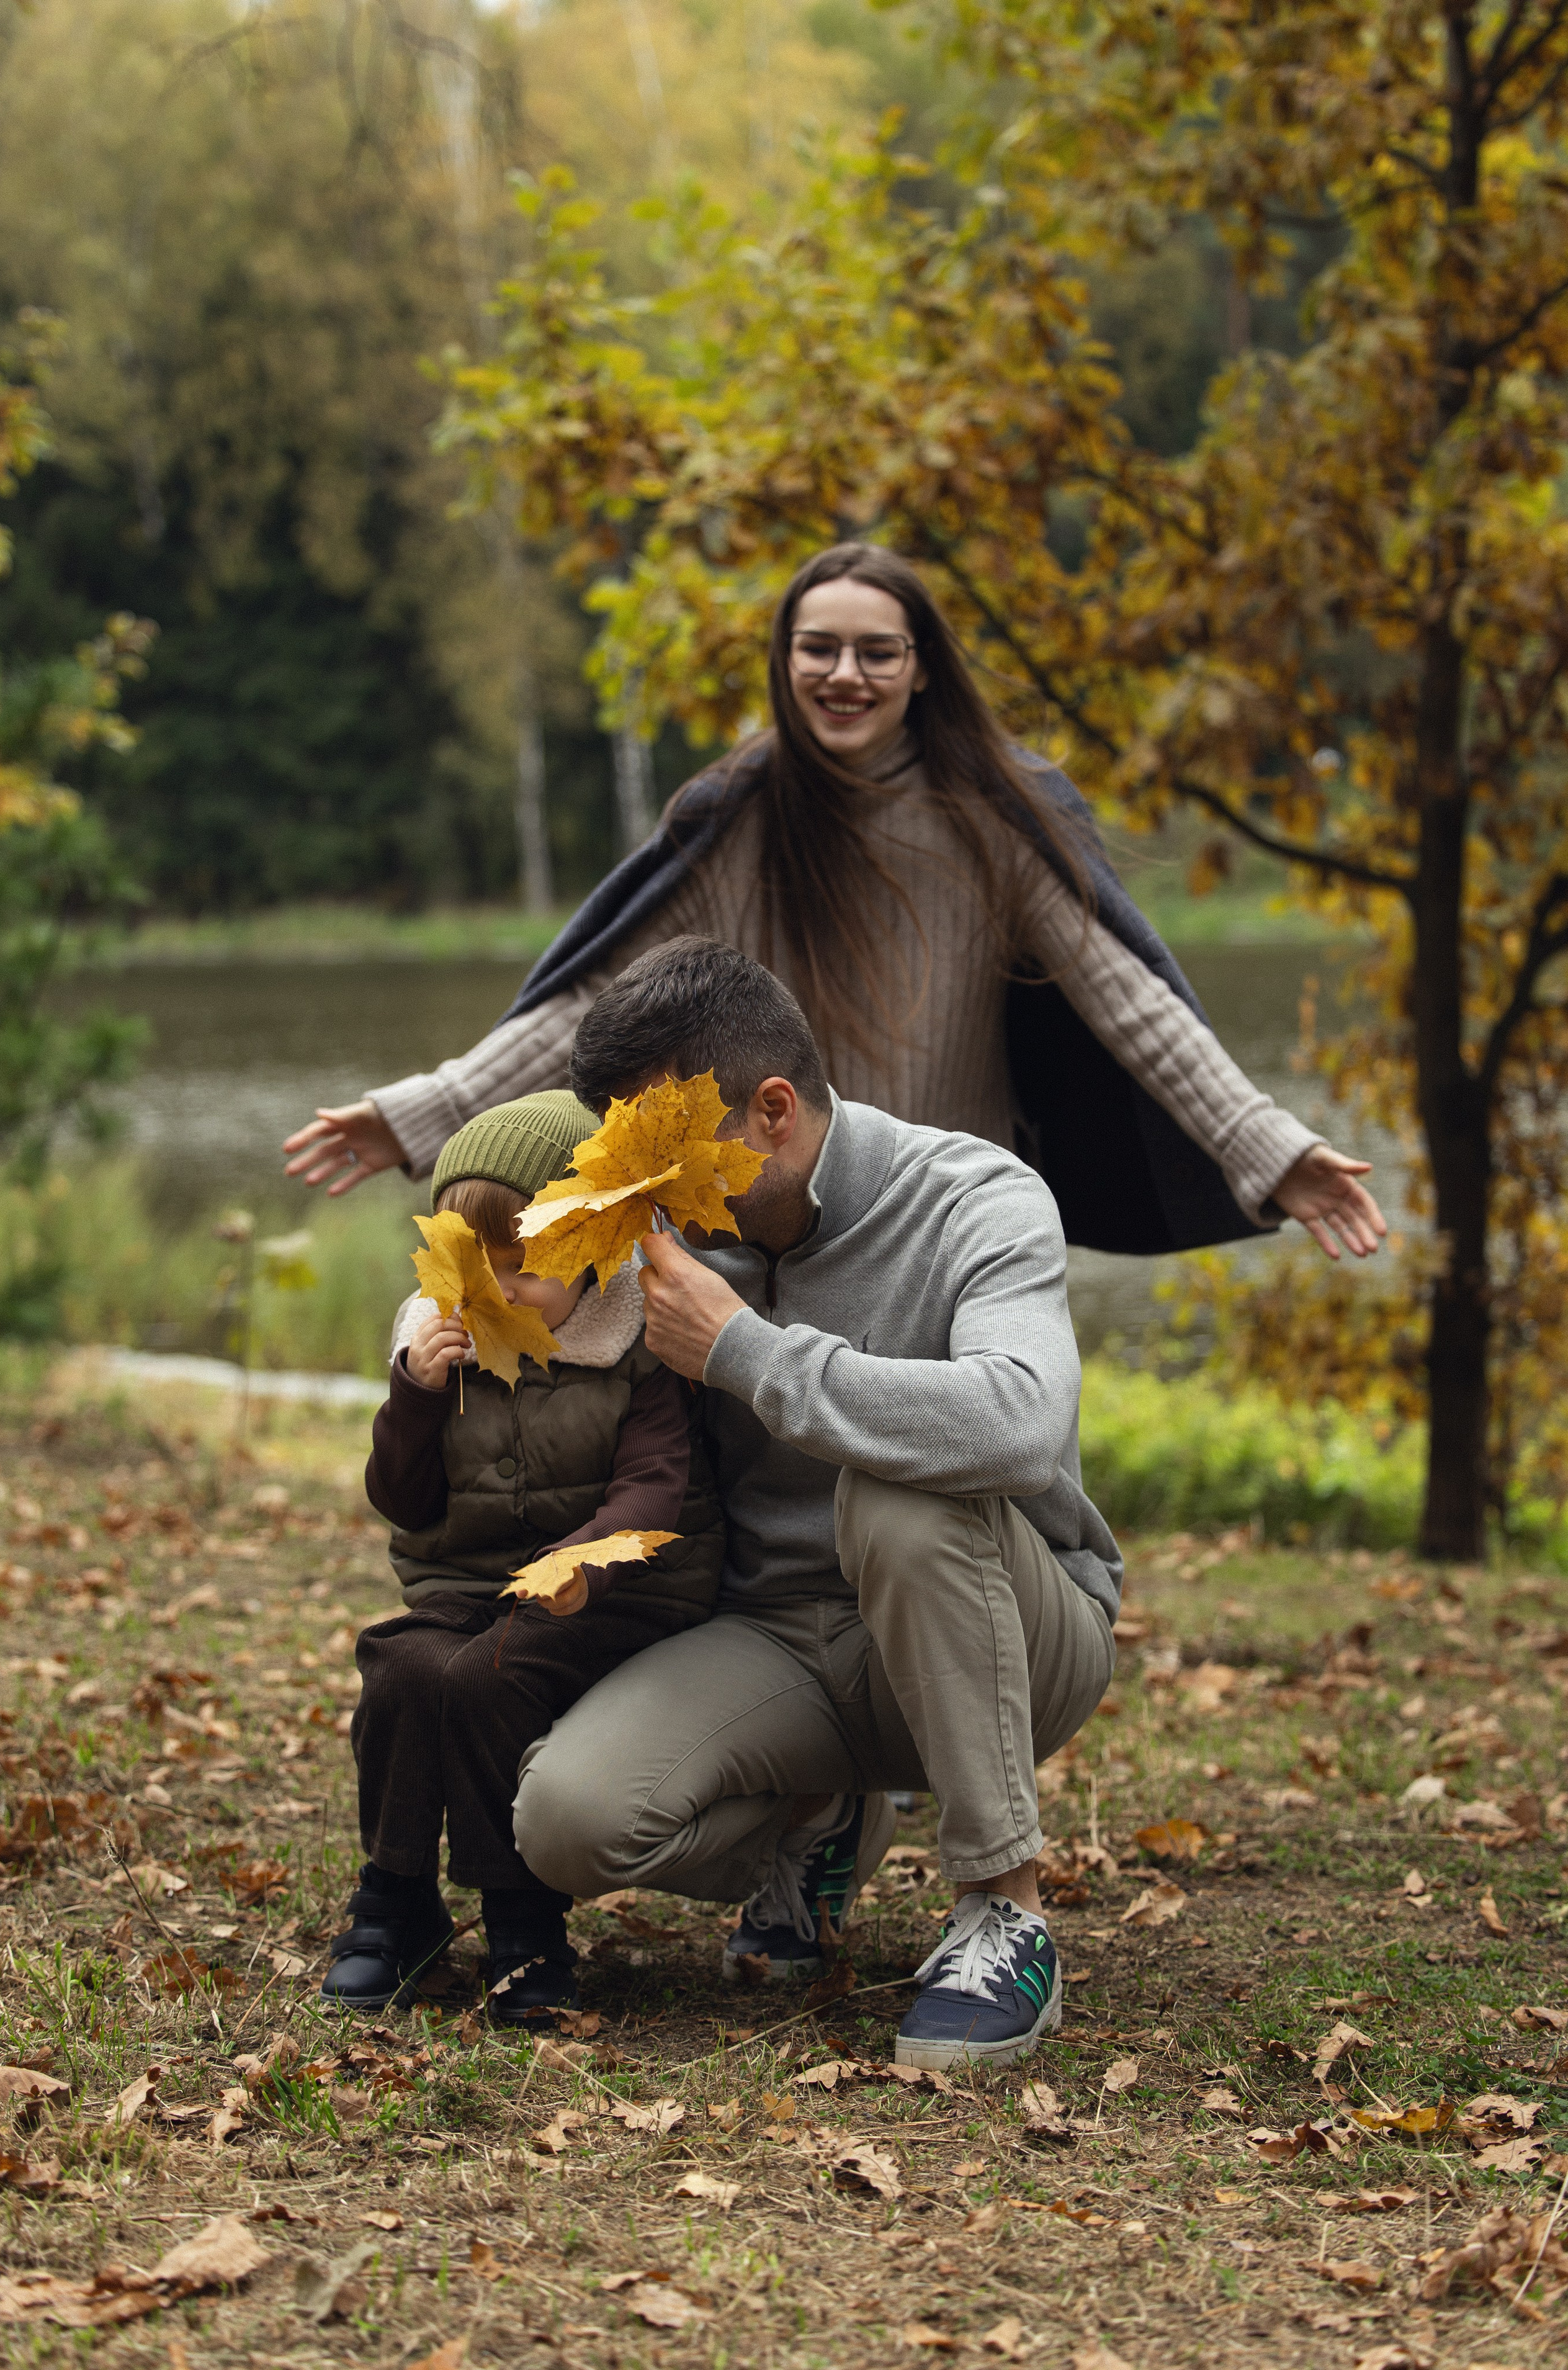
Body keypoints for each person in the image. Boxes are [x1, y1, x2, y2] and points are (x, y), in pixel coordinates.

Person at [283, 542, 1386, 1270]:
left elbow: (1131, 1002)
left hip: (947, 1211)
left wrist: (1266, 1144)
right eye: (819, 647)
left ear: (918, 670)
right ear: (786, 661)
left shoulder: (993, 813)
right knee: (768, 1516)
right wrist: (431, 1110)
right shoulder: (740, 814)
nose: (844, 673)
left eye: (876, 651)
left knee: (960, 1484)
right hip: (764, 1216)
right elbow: (592, 1001)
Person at [510, 938, 1121, 2071]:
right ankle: (822, 1823)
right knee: (565, 1822)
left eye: (670, 1159)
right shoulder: (674, 1240)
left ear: (773, 1111)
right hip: (786, 1639)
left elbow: (1023, 1423)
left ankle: (1003, 1909)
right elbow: (509, 1299)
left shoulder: (977, 1197)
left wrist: (751, 1353)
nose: (658, 1200)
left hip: (1016, 1632)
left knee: (906, 1500)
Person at [323, 1090, 724, 2024]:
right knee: (403, 1669)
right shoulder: (439, 1340)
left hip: (624, 1590)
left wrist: (583, 1559)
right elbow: (402, 1499)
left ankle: (523, 1918)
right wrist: (416, 1397)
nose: (502, 1286)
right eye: (482, 1264)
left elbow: (655, 1487)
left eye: (531, 1265)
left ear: (594, 1247)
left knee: (489, 1674)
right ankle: (396, 1898)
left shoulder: (636, 1338)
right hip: (466, 1582)